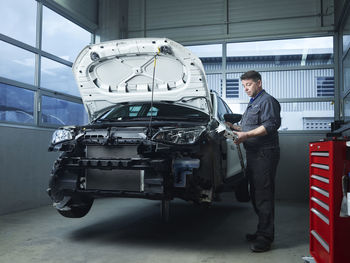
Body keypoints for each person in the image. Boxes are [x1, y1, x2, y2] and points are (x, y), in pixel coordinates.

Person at [226, 70, 281, 252]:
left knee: (263, 195)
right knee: (256, 194)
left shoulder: (267, 101)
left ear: (259, 83)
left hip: (264, 154)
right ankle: (261, 231)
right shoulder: (253, 103)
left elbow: (271, 125)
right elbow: (249, 126)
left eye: (248, 85)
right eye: (243, 86)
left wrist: (246, 135)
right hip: (254, 154)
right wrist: (233, 127)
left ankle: (265, 238)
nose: (246, 89)